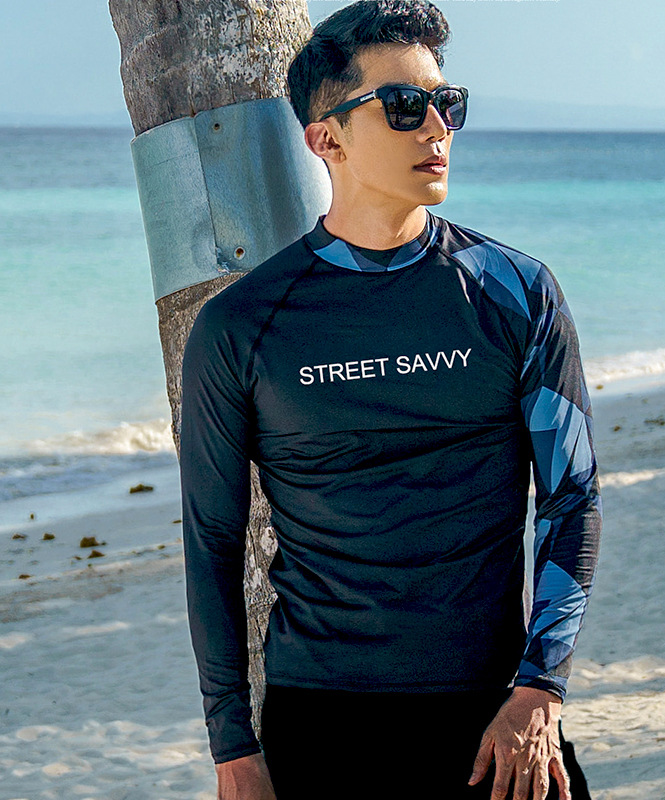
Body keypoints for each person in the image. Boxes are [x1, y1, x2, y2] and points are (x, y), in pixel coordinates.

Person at [179, 1, 602, 798]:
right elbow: (212, 539)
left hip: (498, 718)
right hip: (323, 724)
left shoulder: (516, 293)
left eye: (448, 104)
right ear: (327, 140)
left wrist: (542, 686)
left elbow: (572, 498)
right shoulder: (242, 326)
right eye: (405, 106)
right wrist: (232, 744)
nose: (437, 129)